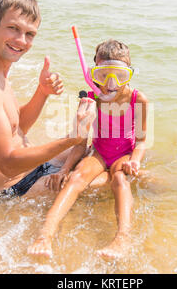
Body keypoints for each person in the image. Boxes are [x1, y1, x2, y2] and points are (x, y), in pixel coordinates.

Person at [0, 0, 97, 196]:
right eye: (13, 28)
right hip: (16, 188)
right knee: (111, 181)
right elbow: (7, 165)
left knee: (101, 155)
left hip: (35, 167)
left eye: (30, 34)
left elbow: (15, 128)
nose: (21, 40)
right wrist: (71, 139)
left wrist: (42, 92)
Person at [28, 39, 149, 259]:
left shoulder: (137, 99)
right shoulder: (91, 99)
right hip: (99, 153)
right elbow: (81, 142)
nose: (111, 84)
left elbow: (141, 141)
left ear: (129, 75)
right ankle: (44, 236)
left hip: (124, 154)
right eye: (104, 76)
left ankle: (123, 239)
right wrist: (65, 169)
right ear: (93, 74)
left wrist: (136, 160)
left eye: (119, 76)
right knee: (75, 179)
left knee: (119, 178)